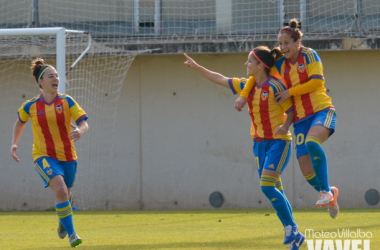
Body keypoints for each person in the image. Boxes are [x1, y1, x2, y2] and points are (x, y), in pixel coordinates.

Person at [184, 47, 305, 250]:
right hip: (258, 144)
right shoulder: (246, 86)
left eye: (249, 61)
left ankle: (292, 228)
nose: (246, 64)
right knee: (276, 189)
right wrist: (197, 68)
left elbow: (291, 111)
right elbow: (220, 78)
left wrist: (285, 125)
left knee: (267, 186)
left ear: (260, 65)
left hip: (279, 142)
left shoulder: (275, 86)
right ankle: (295, 237)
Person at [235, 18, 339, 219]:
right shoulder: (280, 64)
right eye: (280, 44)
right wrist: (242, 95)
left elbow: (317, 82)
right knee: (307, 173)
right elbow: (256, 76)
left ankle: (325, 190)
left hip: (321, 110)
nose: (282, 47)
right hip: (300, 120)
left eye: (286, 43)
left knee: (312, 143)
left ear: (297, 42)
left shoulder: (309, 55)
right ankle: (330, 193)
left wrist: (290, 91)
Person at [11, 57, 88, 248]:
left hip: (68, 156)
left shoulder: (67, 101)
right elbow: (20, 122)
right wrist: (14, 144)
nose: (56, 78)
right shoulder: (30, 106)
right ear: (41, 82)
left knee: (66, 193)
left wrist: (80, 130)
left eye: (57, 75)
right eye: (51, 76)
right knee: (60, 189)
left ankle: (63, 222)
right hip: (43, 156)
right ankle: (72, 235)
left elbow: (83, 122)